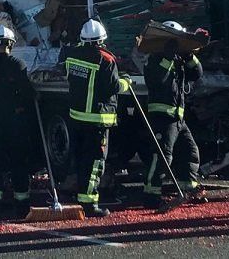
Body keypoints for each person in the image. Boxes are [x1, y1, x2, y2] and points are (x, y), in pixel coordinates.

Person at [62, 19, 131, 218]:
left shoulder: (72, 56)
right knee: (94, 163)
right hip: (97, 119)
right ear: (102, 40)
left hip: (77, 117)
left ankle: (82, 196)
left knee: (82, 159)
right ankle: (89, 203)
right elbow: (112, 87)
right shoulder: (106, 59)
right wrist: (126, 82)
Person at [141, 21, 203, 208]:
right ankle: (151, 195)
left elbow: (197, 74)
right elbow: (158, 80)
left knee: (190, 152)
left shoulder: (178, 60)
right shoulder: (155, 60)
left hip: (178, 117)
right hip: (162, 116)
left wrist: (189, 55)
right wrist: (168, 57)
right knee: (161, 156)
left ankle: (188, 189)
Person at [0, 25, 38, 218]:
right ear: (11, 44)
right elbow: (28, 94)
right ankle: (22, 204)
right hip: (14, 121)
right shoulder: (17, 65)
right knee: (18, 161)